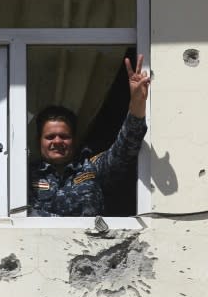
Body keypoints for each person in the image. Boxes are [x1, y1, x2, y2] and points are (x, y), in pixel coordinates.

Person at [28, 54, 150, 217]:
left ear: (75, 139)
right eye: (50, 137)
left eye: (64, 136)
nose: (57, 141)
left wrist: (137, 104)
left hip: (91, 242)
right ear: (39, 141)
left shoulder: (91, 167)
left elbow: (125, 149)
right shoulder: (25, 174)